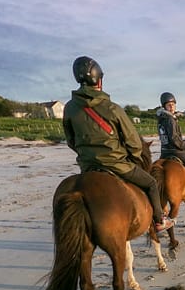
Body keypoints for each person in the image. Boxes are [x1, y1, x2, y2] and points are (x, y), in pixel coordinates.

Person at [63, 56, 173, 233]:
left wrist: (87, 155)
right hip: (116, 165)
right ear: (99, 80)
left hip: (88, 167)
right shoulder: (113, 108)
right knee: (151, 183)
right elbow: (134, 143)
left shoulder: (69, 108)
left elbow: (71, 141)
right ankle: (160, 220)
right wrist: (134, 158)